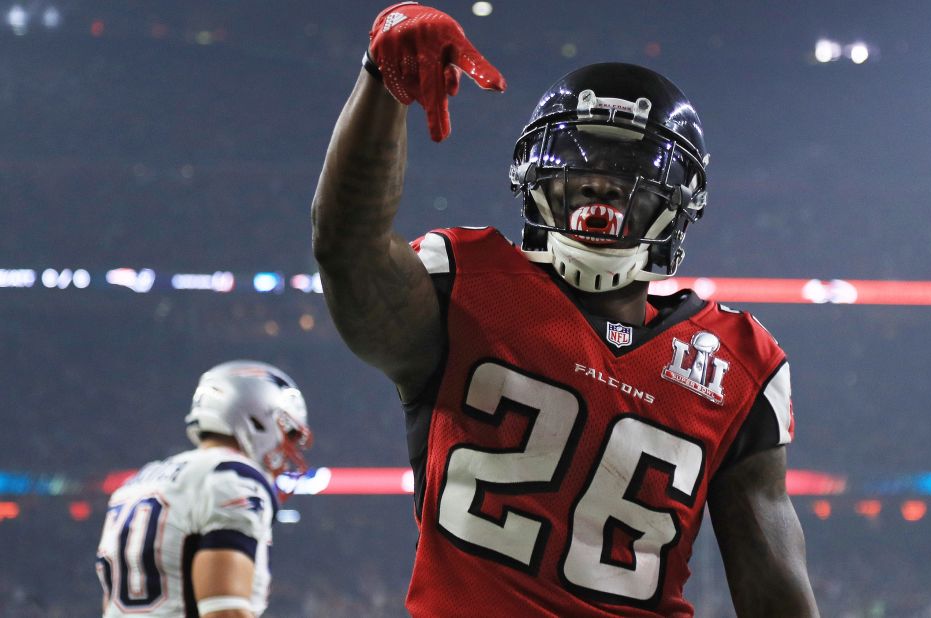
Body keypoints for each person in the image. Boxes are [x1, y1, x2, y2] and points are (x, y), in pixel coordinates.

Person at [312, 3, 819, 616]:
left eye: (628, 167)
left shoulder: (740, 362)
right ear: (536, 174)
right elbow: (347, 248)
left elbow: (774, 586)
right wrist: (381, 85)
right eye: (580, 160)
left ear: (679, 198)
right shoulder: (465, 283)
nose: (599, 183)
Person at [95, 361, 313, 618]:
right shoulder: (233, 476)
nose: (287, 448)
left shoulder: (137, 481)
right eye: (286, 431)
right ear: (256, 418)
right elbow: (224, 610)